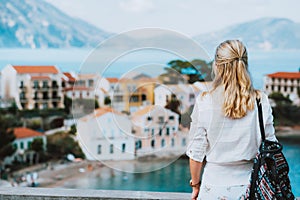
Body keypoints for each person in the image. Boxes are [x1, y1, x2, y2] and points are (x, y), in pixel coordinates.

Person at [186, 40, 277, 199]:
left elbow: (196, 152)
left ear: (217, 66)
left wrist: (195, 185)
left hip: (212, 188)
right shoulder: (260, 100)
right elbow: (271, 146)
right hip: (252, 187)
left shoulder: (204, 101)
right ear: (245, 64)